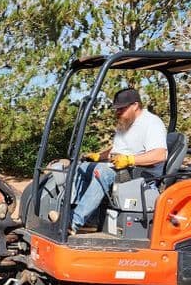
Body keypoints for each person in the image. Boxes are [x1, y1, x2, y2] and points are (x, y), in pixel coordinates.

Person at [70, 88, 168, 233]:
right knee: (83, 167)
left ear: (135, 105)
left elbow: (160, 155)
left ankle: (74, 222)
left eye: (121, 109)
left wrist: (130, 160)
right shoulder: (126, 122)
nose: (117, 112)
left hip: (141, 174)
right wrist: (99, 156)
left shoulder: (152, 123)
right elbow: (119, 149)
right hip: (122, 168)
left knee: (101, 172)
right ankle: (89, 219)